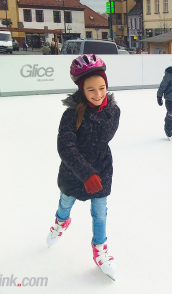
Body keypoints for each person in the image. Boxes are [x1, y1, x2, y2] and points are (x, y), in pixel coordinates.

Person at [46, 54, 120, 281]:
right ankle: (61, 222)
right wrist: (85, 172)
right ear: (81, 90)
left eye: (102, 88)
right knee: (65, 202)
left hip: (101, 170)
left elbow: (104, 140)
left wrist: (95, 172)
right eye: (91, 90)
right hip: (73, 172)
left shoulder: (113, 111)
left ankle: (99, 249)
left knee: (100, 214)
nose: (98, 95)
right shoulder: (71, 115)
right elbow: (66, 147)